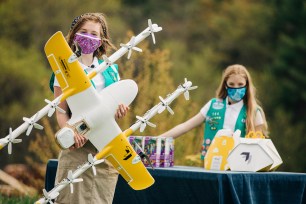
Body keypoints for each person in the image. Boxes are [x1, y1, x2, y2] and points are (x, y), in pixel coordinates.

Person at [51, 13, 129, 204]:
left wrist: (119, 110)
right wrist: (69, 131)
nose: (88, 37)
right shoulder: (64, 69)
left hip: (104, 148)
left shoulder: (110, 69)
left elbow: (111, 108)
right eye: (83, 32)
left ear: (101, 40)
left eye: (94, 34)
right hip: (77, 146)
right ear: (74, 35)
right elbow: (60, 111)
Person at [159, 64, 268, 162]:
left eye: (240, 84)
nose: (236, 88)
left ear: (246, 86)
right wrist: (156, 139)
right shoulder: (213, 105)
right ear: (225, 85)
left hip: (239, 167)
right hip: (212, 164)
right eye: (231, 84)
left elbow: (259, 144)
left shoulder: (254, 111)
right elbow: (185, 127)